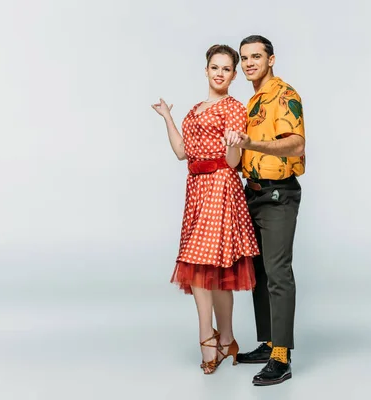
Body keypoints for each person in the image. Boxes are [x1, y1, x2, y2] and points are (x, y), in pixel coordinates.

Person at [151, 44, 260, 375]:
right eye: (215, 67)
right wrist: (168, 117)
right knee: (217, 271)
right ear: (206, 70)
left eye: (227, 69)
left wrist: (233, 143)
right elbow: (182, 153)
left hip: (220, 186)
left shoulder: (234, 108)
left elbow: (233, 162)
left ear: (234, 74)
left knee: (202, 265)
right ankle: (227, 340)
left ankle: (207, 339)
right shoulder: (195, 110)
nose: (220, 73)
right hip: (196, 190)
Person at [222, 35, 305, 386]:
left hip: (278, 195)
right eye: (244, 58)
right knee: (258, 272)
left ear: (271, 59)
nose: (249, 63)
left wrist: (252, 143)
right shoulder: (253, 101)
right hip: (253, 193)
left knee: (278, 273)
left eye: (256, 56)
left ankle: (282, 357)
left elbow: (296, 143)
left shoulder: (285, 95)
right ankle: (268, 342)